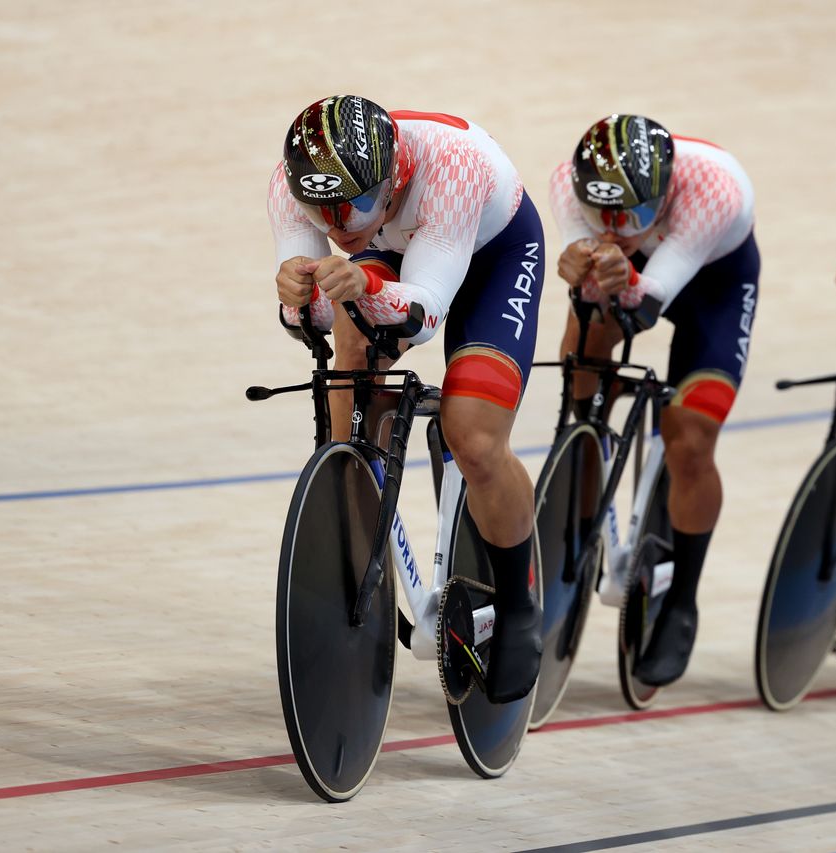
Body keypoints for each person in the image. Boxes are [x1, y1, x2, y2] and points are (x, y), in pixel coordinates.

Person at [266, 95, 544, 703]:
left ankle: (521, 606)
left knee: (473, 435)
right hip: (397, 254)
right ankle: (357, 565)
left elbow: (423, 315)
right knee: (351, 378)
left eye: (356, 204)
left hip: (491, 254)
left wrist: (362, 280)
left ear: (395, 176)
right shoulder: (296, 185)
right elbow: (305, 321)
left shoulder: (452, 166)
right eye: (323, 210)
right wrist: (295, 294)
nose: (339, 224)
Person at [549, 114, 759, 686]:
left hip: (712, 281)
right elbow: (591, 284)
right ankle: (579, 484)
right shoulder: (567, 181)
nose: (616, 227)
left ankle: (683, 599)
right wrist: (577, 264)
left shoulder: (712, 188)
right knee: (580, 367)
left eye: (633, 214)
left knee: (690, 438)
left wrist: (614, 270)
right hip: (636, 270)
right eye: (602, 216)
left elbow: (648, 302)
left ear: (663, 193)